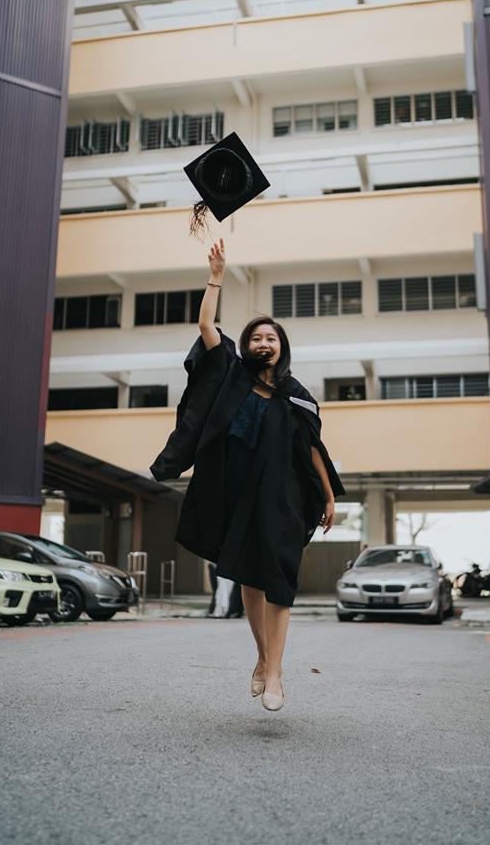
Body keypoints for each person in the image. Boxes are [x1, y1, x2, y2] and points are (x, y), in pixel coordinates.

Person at [150, 238, 345, 712]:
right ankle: (262, 658)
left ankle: (275, 671)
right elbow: (205, 325)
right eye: (256, 337)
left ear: (282, 348)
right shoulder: (231, 374)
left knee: (278, 580)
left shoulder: (297, 395)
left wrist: (328, 497)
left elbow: (312, 448)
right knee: (249, 582)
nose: (262, 343)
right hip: (236, 495)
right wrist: (216, 276)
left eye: (270, 338)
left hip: (282, 498)